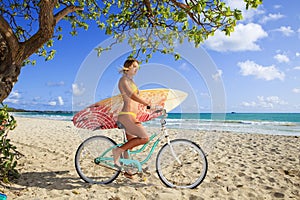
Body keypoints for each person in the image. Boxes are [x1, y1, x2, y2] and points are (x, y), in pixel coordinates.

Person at [112, 58, 150, 178]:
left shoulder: (132, 82)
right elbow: (131, 95)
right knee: (144, 138)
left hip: (133, 116)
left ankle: (127, 171)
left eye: (137, 67)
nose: (136, 69)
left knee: (129, 145)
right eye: (134, 66)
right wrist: (146, 104)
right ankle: (117, 151)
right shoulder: (123, 80)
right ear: (127, 68)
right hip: (126, 116)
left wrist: (151, 107)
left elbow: (137, 100)